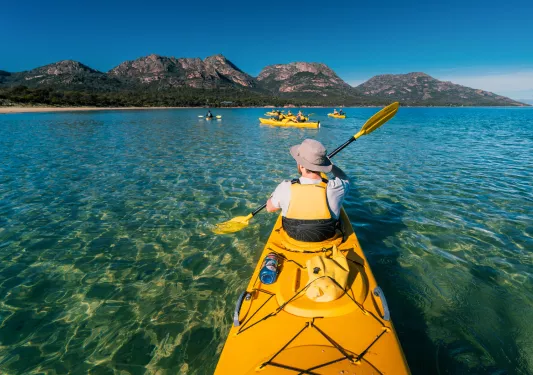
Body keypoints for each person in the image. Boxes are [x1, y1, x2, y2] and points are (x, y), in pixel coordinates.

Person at [266, 139, 350, 242]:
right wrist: (330, 165)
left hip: (293, 237)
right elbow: (344, 177)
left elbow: (270, 208)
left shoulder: (285, 187)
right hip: (326, 237)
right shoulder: (336, 187)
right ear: (323, 166)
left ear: (301, 165)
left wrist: (274, 195)